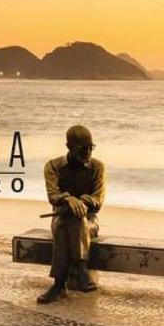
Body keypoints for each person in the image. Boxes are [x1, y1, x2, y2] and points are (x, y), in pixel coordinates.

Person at [37, 125, 107, 304]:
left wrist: (82, 202)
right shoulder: (53, 166)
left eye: (91, 147)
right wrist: (68, 199)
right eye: (83, 148)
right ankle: (81, 267)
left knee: (72, 222)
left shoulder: (97, 167)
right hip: (60, 218)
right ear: (69, 146)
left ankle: (58, 285)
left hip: (89, 222)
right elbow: (52, 196)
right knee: (64, 223)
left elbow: (98, 201)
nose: (88, 152)